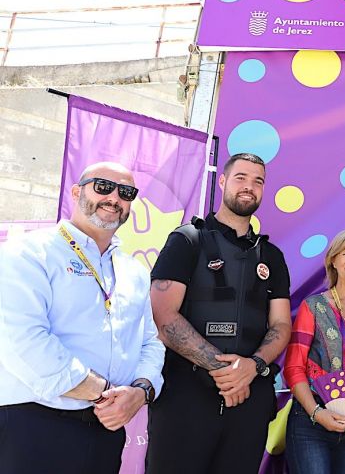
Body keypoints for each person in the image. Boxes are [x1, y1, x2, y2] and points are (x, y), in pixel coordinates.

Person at [0, 162, 164, 473]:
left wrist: (140, 392)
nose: (114, 198)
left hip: (104, 434)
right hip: (34, 425)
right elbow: (22, 340)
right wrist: (104, 393)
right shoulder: (29, 252)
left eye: (125, 192)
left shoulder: (135, 273)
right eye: (103, 186)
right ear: (77, 192)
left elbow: (150, 343)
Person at [147, 152, 292, 474]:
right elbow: (163, 317)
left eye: (258, 181)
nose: (249, 187)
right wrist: (225, 372)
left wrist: (251, 367)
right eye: (241, 177)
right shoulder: (187, 240)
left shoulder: (272, 256)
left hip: (250, 400)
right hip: (186, 397)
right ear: (223, 181)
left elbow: (281, 324)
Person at [283, 228, 345, 474]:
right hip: (310, 421)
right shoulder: (313, 307)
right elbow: (293, 368)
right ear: (333, 261)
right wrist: (317, 413)